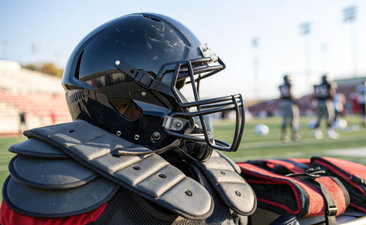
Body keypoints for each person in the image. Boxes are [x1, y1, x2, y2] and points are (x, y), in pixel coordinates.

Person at [0, 13, 263, 225]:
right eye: (177, 86)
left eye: (184, 84)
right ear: (126, 101)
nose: (185, 101)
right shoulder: (54, 185)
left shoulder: (197, 168)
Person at [312, 74, 339, 139]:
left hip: (318, 102)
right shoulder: (329, 85)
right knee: (329, 118)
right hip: (326, 102)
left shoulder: (317, 86)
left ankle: (317, 132)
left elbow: (314, 95)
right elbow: (331, 94)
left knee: (319, 118)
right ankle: (330, 132)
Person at [278, 74, 300, 142]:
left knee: (284, 120)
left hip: (283, 102)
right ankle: (294, 135)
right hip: (290, 103)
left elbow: (281, 96)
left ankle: (283, 136)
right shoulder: (289, 85)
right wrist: (295, 100)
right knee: (293, 119)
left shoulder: (281, 86)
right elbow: (290, 94)